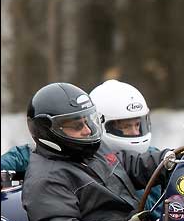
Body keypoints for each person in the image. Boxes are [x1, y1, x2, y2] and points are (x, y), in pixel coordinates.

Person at [21, 82, 173, 221]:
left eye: (87, 121)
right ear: (49, 130)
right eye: (77, 126)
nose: (87, 130)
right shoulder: (46, 178)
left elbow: (134, 164)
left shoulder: (91, 151)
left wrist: (169, 160)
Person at [2, 79, 162, 209]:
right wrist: (20, 180)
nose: (134, 133)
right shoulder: (53, 156)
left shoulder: (151, 160)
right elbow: (21, 161)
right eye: (125, 126)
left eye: (138, 124)